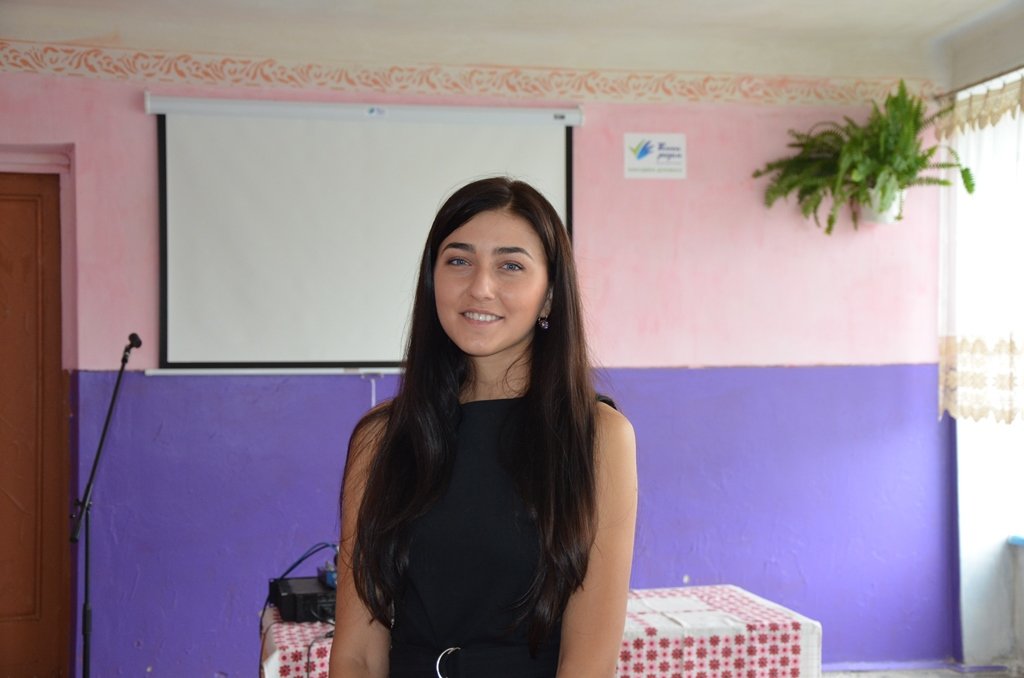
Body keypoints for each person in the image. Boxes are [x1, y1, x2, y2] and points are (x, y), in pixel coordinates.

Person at [329, 176, 637, 678]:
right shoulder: (380, 438)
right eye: (458, 261)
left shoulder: (599, 436)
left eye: (510, 265)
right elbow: (357, 654)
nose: (480, 287)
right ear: (432, 282)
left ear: (549, 296)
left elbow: (589, 662)